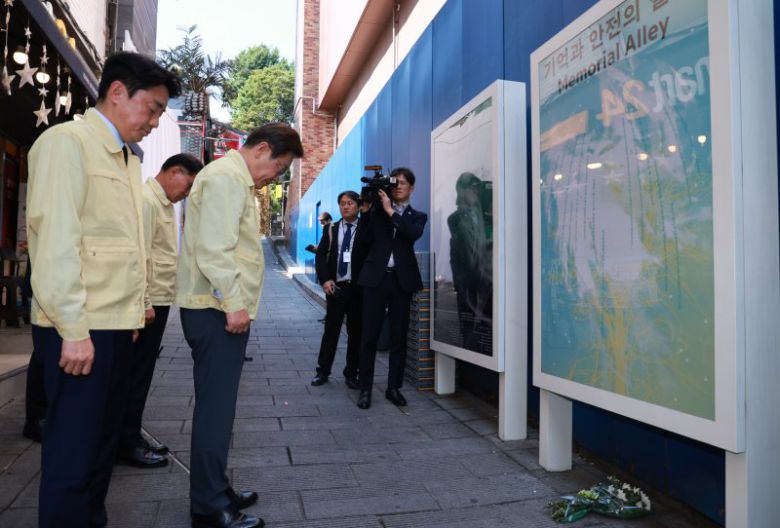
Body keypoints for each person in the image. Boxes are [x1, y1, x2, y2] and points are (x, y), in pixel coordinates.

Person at [26, 52, 180, 528]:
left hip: (114, 328)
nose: (154, 121)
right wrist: (72, 328)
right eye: (152, 108)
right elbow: (55, 243)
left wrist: (135, 313)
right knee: (73, 455)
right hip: (79, 331)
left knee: (99, 452)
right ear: (117, 93)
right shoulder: (66, 144)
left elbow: (124, 248)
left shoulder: (125, 160)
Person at [176, 123, 303, 528]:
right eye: (278, 166)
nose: (275, 176)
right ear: (261, 149)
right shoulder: (227, 178)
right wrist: (234, 304)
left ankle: (214, 489)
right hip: (215, 310)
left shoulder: (234, 180)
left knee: (221, 408)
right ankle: (209, 506)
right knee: (215, 411)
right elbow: (216, 249)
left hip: (217, 308)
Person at [117, 153, 203, 469]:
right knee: (134, 375)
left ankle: (131, 435)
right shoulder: (146, 201)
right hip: (149, 303)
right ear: (174, 171)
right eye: (188, 184)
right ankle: (125, 442)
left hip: (160, 299)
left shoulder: (163, 203)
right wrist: (143, 304)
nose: (188, 192)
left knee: (142, 373)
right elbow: (138, 256)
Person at [356, 168, 427, 409]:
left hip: (401, 281)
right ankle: (365, 388)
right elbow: (363, 241)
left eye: (403, 183)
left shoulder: (417, 216)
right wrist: (367, 211)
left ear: (412, 188)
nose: (398, 187)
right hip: (375, 280)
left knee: (399, 337)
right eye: (394, 183)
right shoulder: (375, 213)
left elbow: (411, 234)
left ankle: (393, 388)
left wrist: (390, 211)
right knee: (369, 337)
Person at [311, 191, 366, 389]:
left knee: (356, 333)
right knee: (331, 331)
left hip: (358, 290)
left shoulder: (366, 229)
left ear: (359, 206)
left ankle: (352, 373)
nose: (345, 207)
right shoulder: (331, 229)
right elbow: (321, 256)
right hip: (336, 288)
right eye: (342, 203)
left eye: (349, 203)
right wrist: (325, 280)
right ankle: (322, 371)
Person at [447, 172, 493, 353]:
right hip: (467, 280)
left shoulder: (488, 217)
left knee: (487, 323)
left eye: (477, 187)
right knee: (468, 325)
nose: (475, 191)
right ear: (462, 190)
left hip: (487, 279)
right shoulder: (456, 218)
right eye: (472, 187)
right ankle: (469, 361)